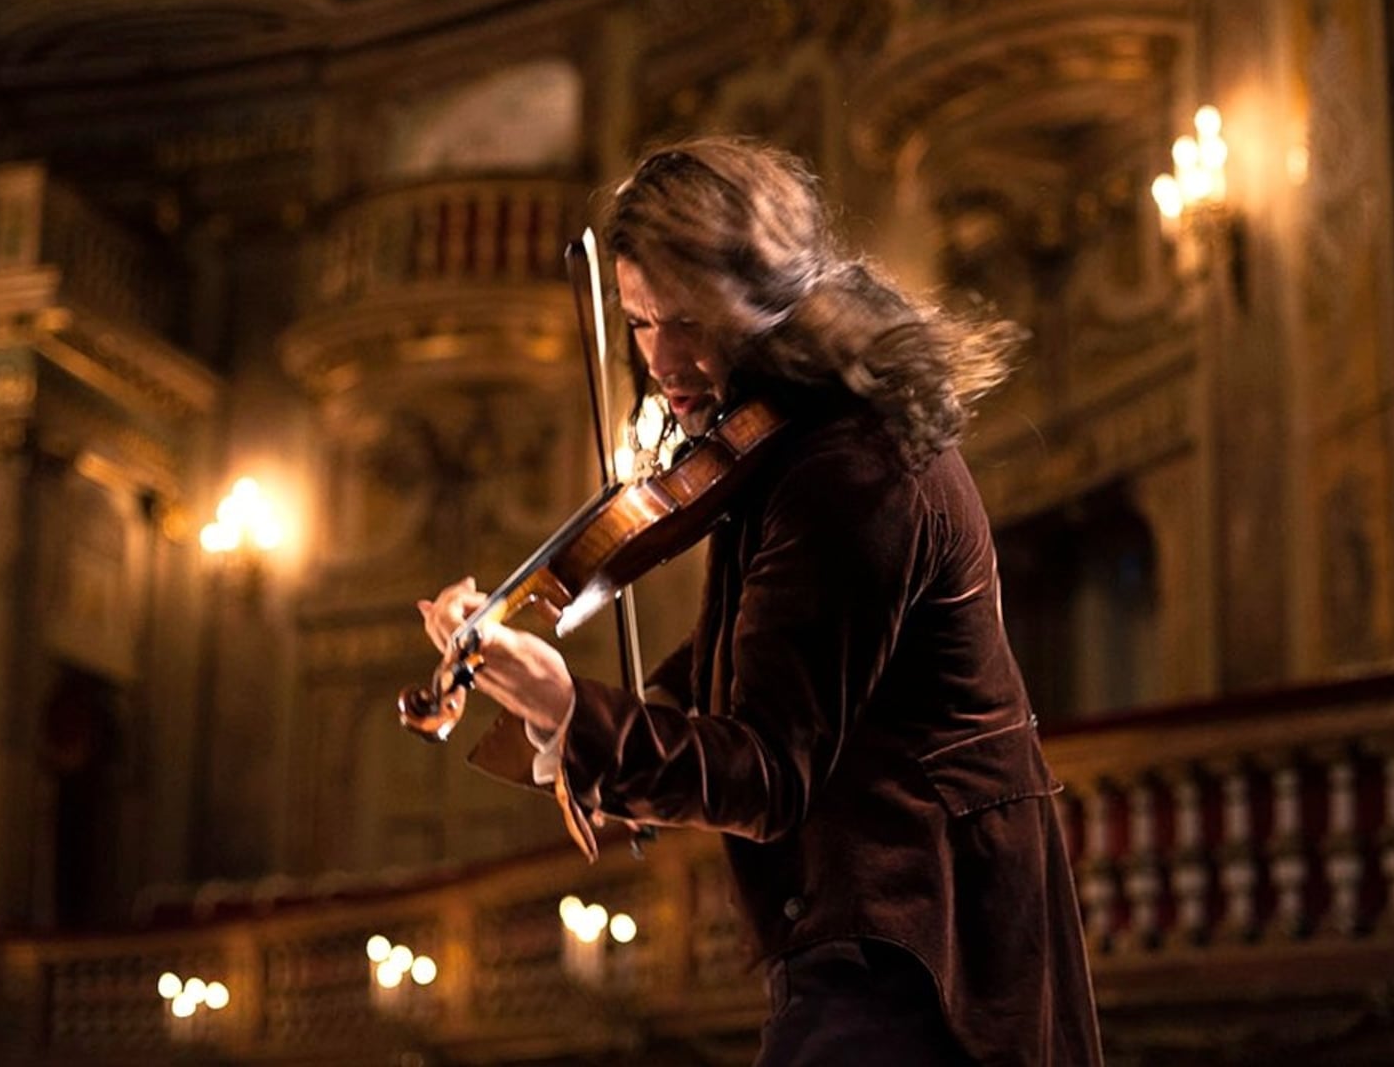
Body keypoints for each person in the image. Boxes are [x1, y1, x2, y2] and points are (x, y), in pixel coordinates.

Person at [417, 136, 1103, 1067]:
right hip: (874, 929)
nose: (664, 360)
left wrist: (569, 708)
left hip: (923, 947)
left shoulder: (852, 465)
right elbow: (742, 664)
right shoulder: (787, 447)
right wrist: (584, 709)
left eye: (689, 321)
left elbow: (770, 773)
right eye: (640, 322)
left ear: (768, 300)